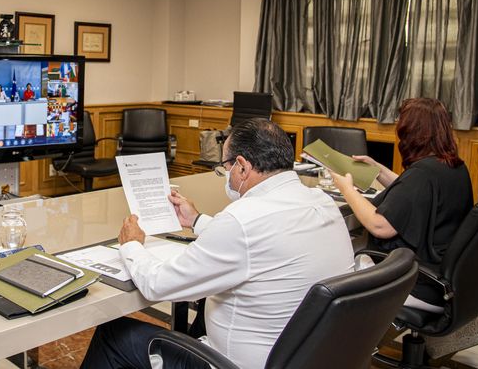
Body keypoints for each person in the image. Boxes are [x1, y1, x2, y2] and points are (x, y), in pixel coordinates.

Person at [81, 118, 354, 369]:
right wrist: (196, 220)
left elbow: (158, 284)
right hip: (307, 357)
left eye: (225, 167)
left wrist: (131, 245)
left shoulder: (241, 219)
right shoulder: (322, 202)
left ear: (242, 166)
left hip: (231, 363)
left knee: (112, 335)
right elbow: (262, 242)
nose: (226, 174)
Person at [331, 97, 473, 313]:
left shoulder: (422, 174)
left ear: (413, 132)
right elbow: (414, 193)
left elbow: (380, 226)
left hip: (419, 281)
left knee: (339, 263)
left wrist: (347, 189)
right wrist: (377, 168)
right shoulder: (452, 166)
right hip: (446, 274)